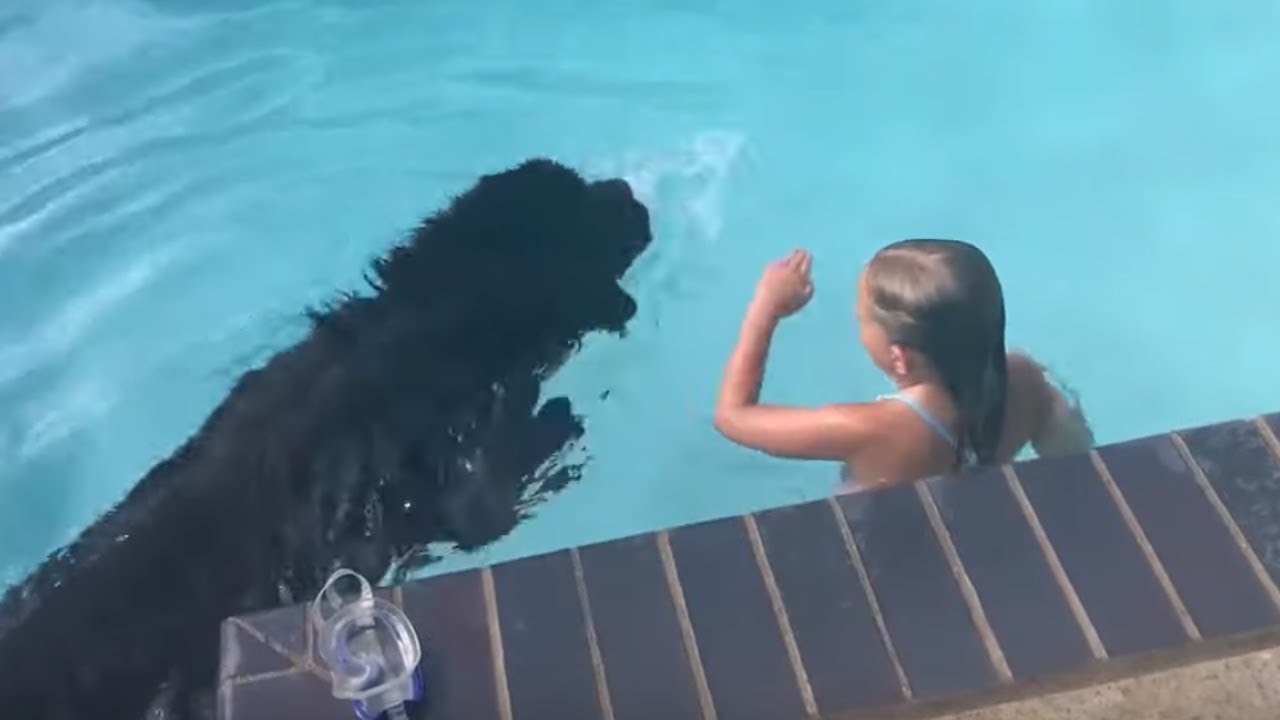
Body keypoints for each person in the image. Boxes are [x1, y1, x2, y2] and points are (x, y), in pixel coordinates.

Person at [713, 240, 1093, 491]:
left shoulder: (872, 429)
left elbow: (733, 416)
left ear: (900, 357)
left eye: (862, 321)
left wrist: (766, 307)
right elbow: (1068, 440)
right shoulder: (1024, 377)